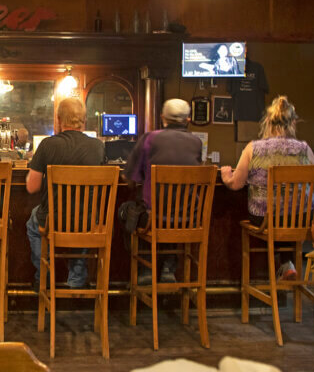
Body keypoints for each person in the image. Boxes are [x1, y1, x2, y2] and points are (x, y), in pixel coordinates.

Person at [220, 95, 314, 280]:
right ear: (293, 123)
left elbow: (236, 184)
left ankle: (280, 268)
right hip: (301, 219)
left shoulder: (254, 148)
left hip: (265, 219)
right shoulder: (305, 148)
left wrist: (226, 175)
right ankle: (287, 265)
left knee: (274, 217)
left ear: (266, 122)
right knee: (286, 217)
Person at [25, 98, 105, 289]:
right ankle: (77, 278)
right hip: (86, 222)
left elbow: (31, 187)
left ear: (59, 119)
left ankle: (44, 276)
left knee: (33, 222)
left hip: (54, 219)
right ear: (84, 120)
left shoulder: (47, 145)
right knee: (83, 216)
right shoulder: (98, 146)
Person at [123, 98, 203, 284]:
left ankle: (146, 268)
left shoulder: (150, 138)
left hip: (154, 218)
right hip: (189, 219)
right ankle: (168, 266)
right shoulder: (197, 142)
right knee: (174, 208)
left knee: (126, 211)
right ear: (188, 120)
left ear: (162, 118)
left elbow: (130, 179)